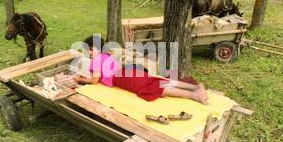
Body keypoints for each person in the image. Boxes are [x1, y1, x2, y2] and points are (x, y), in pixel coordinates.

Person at [74, 35, 209, 104]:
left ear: (95, 48)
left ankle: (193, 95)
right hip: (128, 72)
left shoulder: (97, 60)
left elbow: (95, 81)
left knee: (152, 88)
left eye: (90, 50)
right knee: (154, 80)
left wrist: (80, 79)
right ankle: (194, 87)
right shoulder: (107, 55)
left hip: (122, 78)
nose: (90, 54)